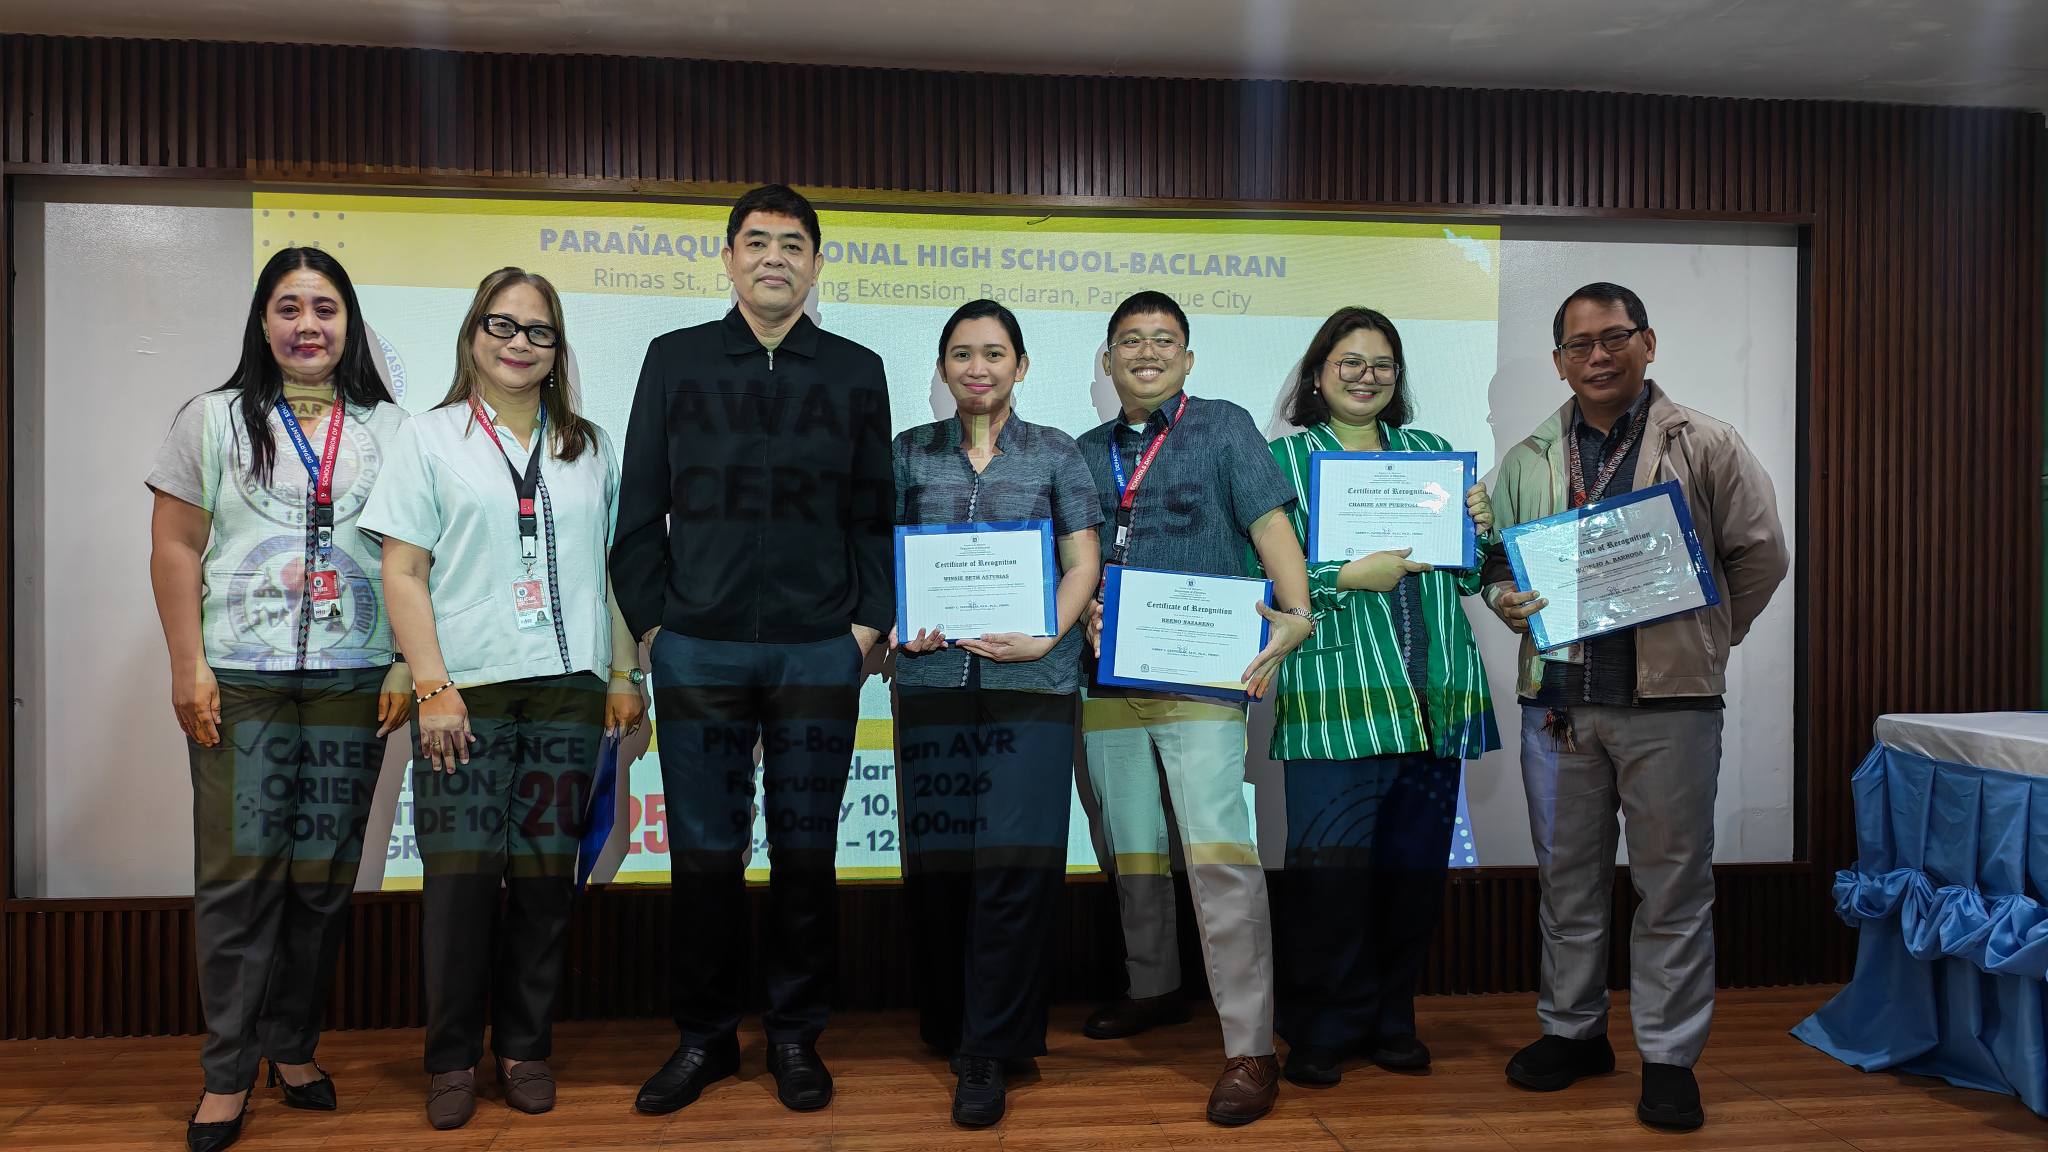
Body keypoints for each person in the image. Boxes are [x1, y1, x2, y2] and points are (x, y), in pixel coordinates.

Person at [614, 184, 894, 1116]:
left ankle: (795, 1036)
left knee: (806, 855)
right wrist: (659, 627)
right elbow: (639, 509)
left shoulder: (855, 370)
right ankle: (703, 1038)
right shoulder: (677, 358)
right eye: (757, 241)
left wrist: (864, 627)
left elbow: (873, 512)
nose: (775, 257)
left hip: (819, 650)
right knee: (704, 857)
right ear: (730, 258)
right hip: (699, 650)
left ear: (816, 264)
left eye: (793, 244)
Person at [1483, 282, 1787, 1131]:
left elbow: (1760, 554)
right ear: (1559, 362)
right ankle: (1573, 1032)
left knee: (1672, 887)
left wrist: (1710, 636)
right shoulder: (1531, 457)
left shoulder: (1706, 442)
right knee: (1567, 883)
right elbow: (1499, 562)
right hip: (1559, 707)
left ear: (1647, 344)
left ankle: (1669, 1056)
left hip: (1670, 706)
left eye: (1615, 337)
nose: (1599, 356)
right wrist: (1505, 600)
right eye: (1579, 345)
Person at [361, 268, 644, 1130]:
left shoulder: (589, 445)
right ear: (473, 335)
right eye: (503, 325)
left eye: (538, 330)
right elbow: (403, 571)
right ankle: (451, 1057)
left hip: (568, 694)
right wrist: (432, 684)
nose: (520, 343)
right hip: (466, 697)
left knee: (545, 881)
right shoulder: (428, 437)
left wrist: (624, 673)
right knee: (460, 883)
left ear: (558, 348)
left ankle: (524, 1047)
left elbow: (610, 570)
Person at [147, 247, 410, 1152]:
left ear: (350, 325)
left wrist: (406, 662)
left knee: (322, 878)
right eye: (289, 307)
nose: (308, 325)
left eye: (325, 308)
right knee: (239, 878)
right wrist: (188, 665)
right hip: (243, 681)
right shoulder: (212, 418)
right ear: (262, 323)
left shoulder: (392, 428)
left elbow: (415, 555)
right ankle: (226, 1073)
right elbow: (176, 545)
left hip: (354, 678)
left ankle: (291, 1046)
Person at [1076, 290, 1316, 1126]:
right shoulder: (1084, 452)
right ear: (1107, 360)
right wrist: (1083, 606)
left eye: (1163, 340)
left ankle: (1250, 1047)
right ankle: (1154, 986)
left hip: (1204, 681)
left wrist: (1298, 610)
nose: (1146, 352)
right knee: (1131, 848)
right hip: (1106, 682)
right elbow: (1073, 558)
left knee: (1218, 858)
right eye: (1130, 340)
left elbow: (1270, 524)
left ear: (1187, 357)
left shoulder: (1223, 426)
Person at [1262, 307, 1501, 1086]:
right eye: (1350, 361)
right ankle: (1320, 1027)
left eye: (1382, 364)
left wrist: (1479, 526)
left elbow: (1467, 576)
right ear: (1318, 372)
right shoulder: (1283, 461)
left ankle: (1393, 1018)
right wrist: (1341, 577)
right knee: (1327, 877)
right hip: (1337, 696)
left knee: (1412, 876)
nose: (1366, 376)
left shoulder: (1430, 453)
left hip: (1436, 697)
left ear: (1397, 378)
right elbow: (1263, 574)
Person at [889, 300, 1102, 1127]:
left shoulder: (1056, 451)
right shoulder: (908, 452)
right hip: (931, 681)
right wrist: (903, 622)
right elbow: (884, 557)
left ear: (1020, 365)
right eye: (961, 354)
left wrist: (1047, 633)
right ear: (943, 367)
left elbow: (1082, 559)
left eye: (994, 353)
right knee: (941, 860)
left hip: (1033, 683)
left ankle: (991, 1046)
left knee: (1016, 863)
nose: (977, 368)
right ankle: (952, 1023)